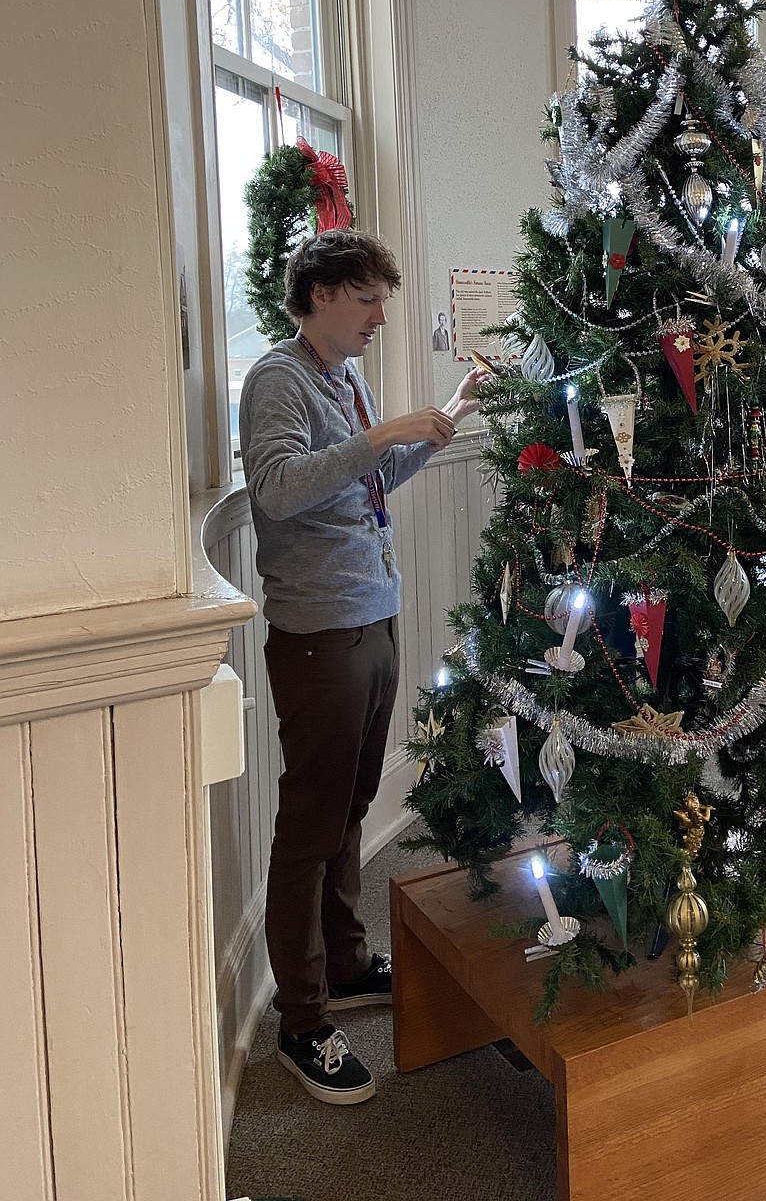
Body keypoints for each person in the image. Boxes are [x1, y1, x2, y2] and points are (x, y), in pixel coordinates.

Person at [240, 228, 482, 1106]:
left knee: (349, 807)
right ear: (322, 295)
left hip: (369, 618)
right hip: (320, 634)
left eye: (382, 297)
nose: (382, 314)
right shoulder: (280, 377)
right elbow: (276, 487)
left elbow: (369, 480)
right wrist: (380, 433)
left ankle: (342, 964)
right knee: (309, 827)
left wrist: (445, 412)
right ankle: (301, 1023)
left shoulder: (342, 377)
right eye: (369, 298)